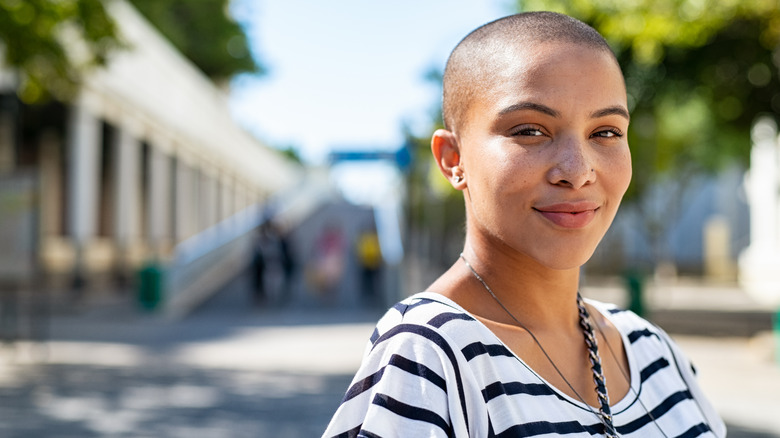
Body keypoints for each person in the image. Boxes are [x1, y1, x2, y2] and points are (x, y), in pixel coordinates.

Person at [322, 11, 726, 438]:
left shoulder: (651, 348)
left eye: (605, 132)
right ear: (452, 159)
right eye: (531, 130)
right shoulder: (428, 357)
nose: (577, 170)